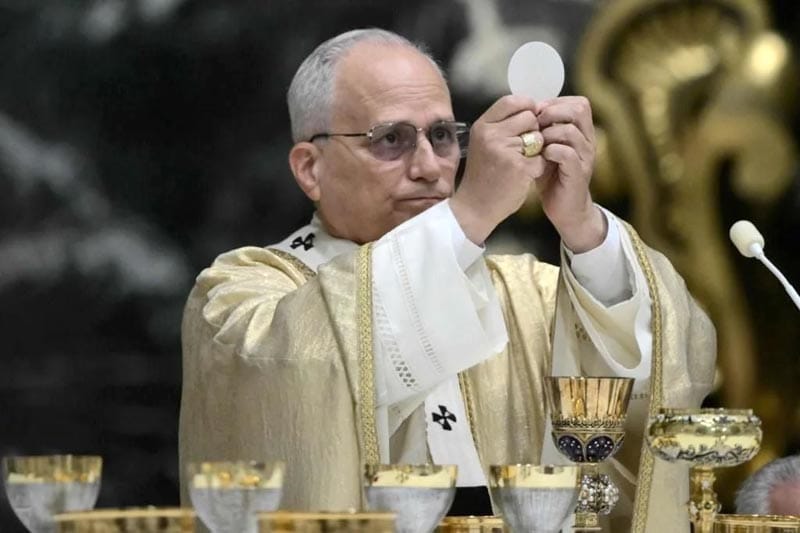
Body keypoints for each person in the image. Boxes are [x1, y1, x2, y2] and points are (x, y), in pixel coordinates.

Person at [179, 28, 716, 531]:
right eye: (391, 139)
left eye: (442, 135)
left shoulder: (524, 293)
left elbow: (677, 358)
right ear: (309, 168)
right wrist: (471, 211)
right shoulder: (240, 293)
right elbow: (284, 379)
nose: (430, 165)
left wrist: (584, 228)